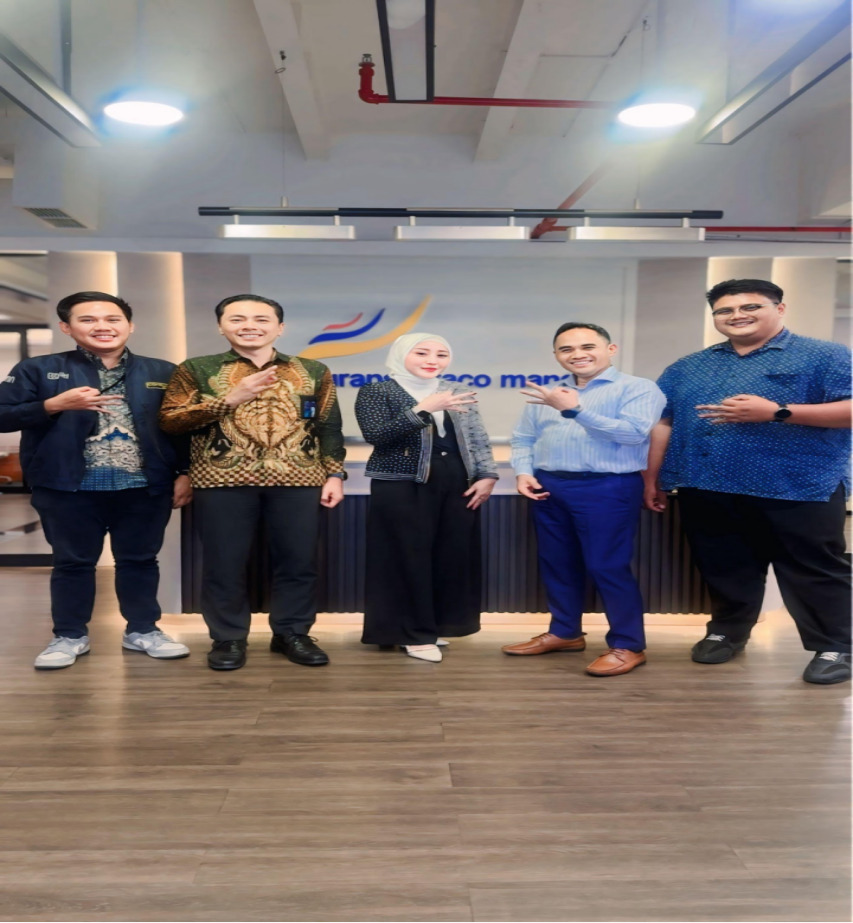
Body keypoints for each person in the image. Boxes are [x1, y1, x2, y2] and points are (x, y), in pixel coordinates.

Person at [643, 278, 852, 685]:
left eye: (750, 307)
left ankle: (835, 645)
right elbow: (664, 421)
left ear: (780, 309)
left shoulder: (825, 356)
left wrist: (778, 411)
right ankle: (728, 631)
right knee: (725, 566)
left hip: (798, 485)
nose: (736, 315)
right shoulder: (690, 365)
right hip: (706, 484)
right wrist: (652, 478)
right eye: (724, 310)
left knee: (812, 568)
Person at [0, 291, 192, 669]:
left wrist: (185, 472)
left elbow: (182, 428)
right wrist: (53, 405)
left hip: (144, 486)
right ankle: (69, 636)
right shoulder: (38, 369)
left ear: (130, 325)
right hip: (65, 487)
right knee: (72, 563)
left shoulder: (162, 371)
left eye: (112, 318)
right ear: (66, 327)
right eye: (87, 319)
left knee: (140, 561)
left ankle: (143, 630)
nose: (102, 326)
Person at [159, 294, 345, 671]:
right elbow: (170, 421)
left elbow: (327, 425)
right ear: (221, 327)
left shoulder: (313, 370)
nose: (249, 326)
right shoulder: (196, 368)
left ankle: (292, 633)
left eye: (261, 319)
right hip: (220, 480)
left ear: (280, 327)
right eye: (237, 319)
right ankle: (228, 638)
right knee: (224, 564)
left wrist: (334, 473)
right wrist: (228, 400)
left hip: (299, 479)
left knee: (298, 562)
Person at [504, 322, 666, 676]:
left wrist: (576, 410)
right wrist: (524, 472)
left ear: (611, 349)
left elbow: (632, 434)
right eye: (566, 349)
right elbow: (523, 438)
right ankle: (565, 633)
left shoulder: (638, 388)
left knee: (607, 566)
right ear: (556, 355)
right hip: (549, 486)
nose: (577, 354)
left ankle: (628, 645)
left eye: (587, 346)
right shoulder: (549, 393)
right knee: (557, 563)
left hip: (607, 487)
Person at [354, 333, 498, 662]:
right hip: (402, 483)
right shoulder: (377, 391)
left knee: (450, 556)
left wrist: (487, 475)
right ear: (401, 354)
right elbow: (376, 435)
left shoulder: (457, 389)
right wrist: (423, 409)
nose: (433, 360)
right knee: (406, 557)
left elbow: (477, 436)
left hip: (457, 480)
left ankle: (432, 626)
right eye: (422, 353)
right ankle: (411, 633)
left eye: (441, 354)